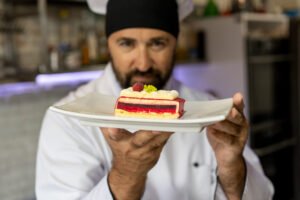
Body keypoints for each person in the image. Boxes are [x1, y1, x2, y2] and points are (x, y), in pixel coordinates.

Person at [35, 0, 274, 199]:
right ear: (108, 43)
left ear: (175, 43)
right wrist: (126, 175)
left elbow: (263, 195)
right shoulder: (68, 119)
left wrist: (233, 168)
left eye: (158, 43)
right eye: (126, 44)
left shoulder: (208, 111)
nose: (143, 63)